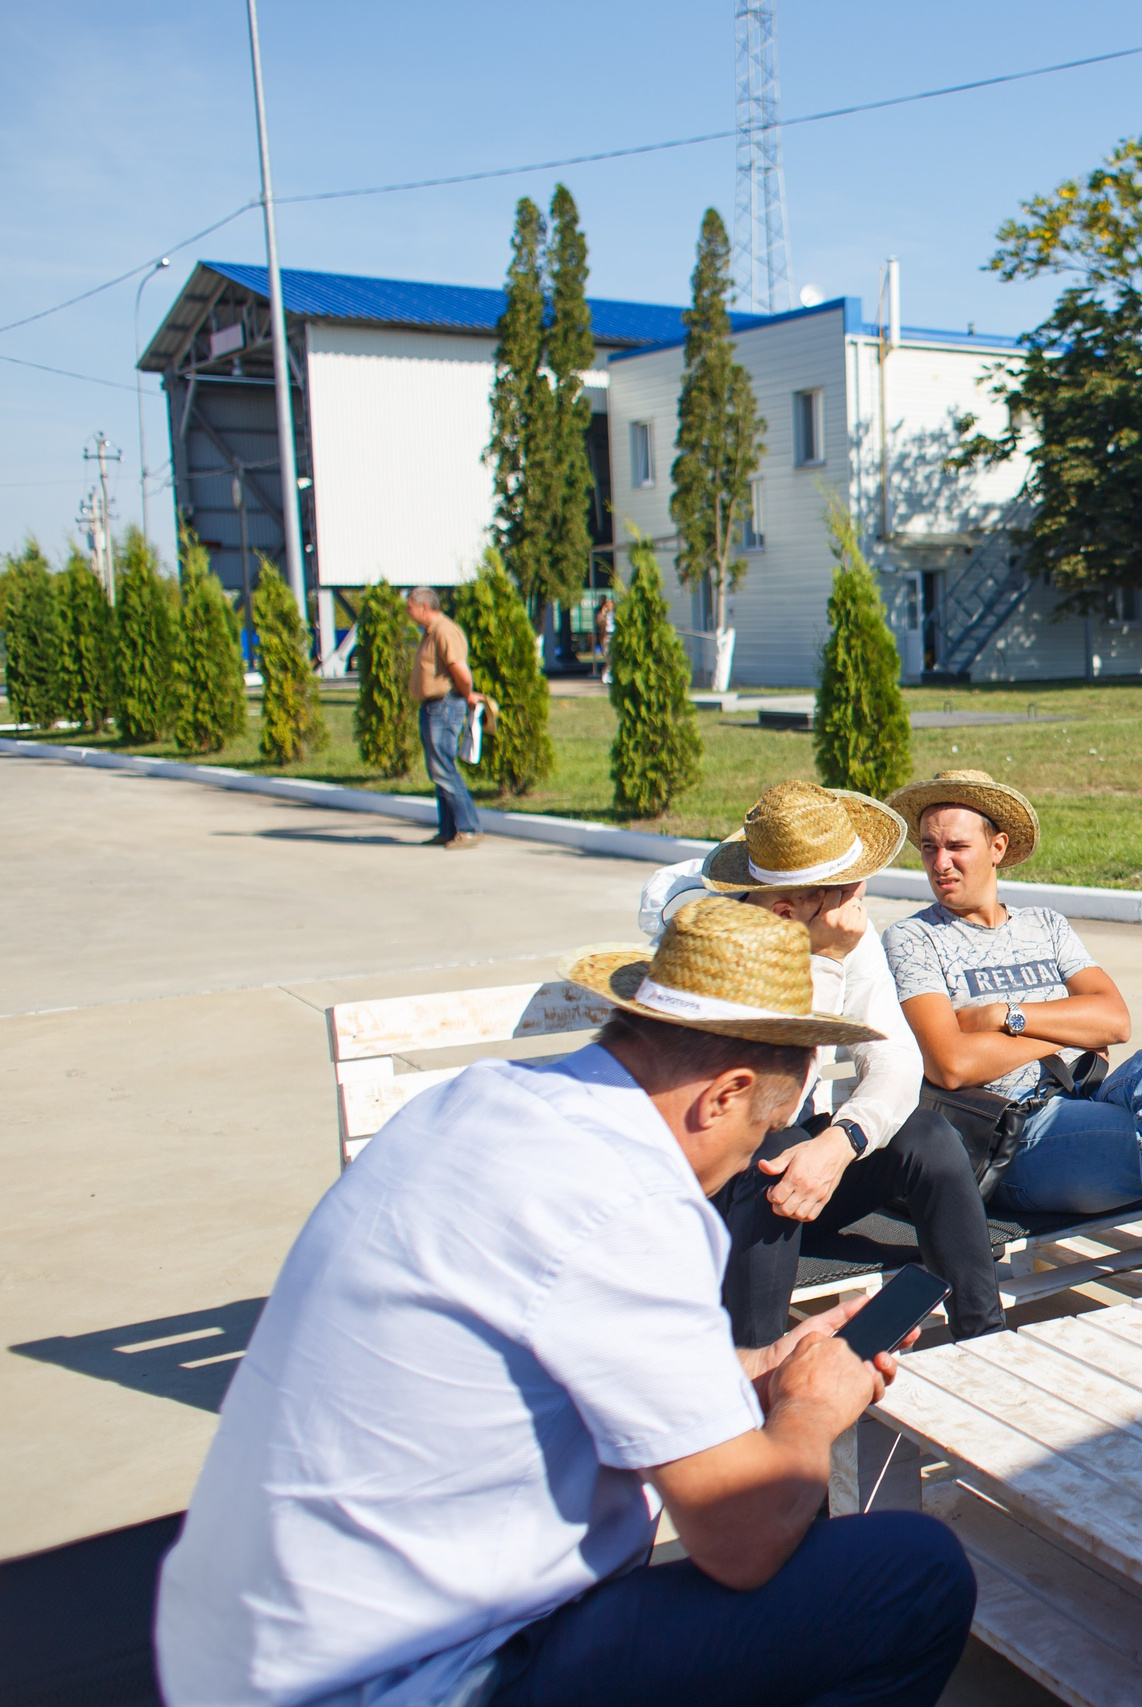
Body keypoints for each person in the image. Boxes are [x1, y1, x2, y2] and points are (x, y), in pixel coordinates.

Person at [155, 897, 975, 1707]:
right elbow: (745, 1539)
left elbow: (558, 1348)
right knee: (913, 1575)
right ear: (723, 1095)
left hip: (235, 1652)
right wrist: (810, 1407)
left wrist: (759, 1367)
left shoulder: (473, 1105)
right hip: (409, 1677)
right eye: (763, 1131)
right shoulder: (627, 1198)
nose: (750, 1161)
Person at [882, 769, 1142, 1291]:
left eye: (957, 847)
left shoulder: (1046, 925)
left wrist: (1005, 1016)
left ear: (997, 847)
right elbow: (952, 1064)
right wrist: (1071, 1028)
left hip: (1087, 1097)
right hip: (1015, 1136)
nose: (940, 862)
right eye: (929, 847)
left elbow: (1116, 1020)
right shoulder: (914, 939)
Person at [701, 780, 1007, 1345]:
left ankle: (983, 1338)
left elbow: (895, 1059)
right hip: (725, 1188)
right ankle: (757, 1370)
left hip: (809, 1178)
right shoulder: (712, 942)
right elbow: (770, 1108)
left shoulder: (842, 925)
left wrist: (844, 1140)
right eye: (848, 889)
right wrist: (824, 960)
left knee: (928, 1136)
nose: (859, 901)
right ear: (788, 908)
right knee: (775, 1150)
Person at [406, 585, 485, 850]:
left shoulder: (444, 631)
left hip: (445, 705)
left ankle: (469, 829)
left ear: (424, 607)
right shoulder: (430, 632)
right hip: (433, 707)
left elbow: (460, 671)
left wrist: (467, 693)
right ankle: (448, 830)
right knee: (438, 770)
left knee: (444, 768)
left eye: (410, 607)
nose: (408, 613)